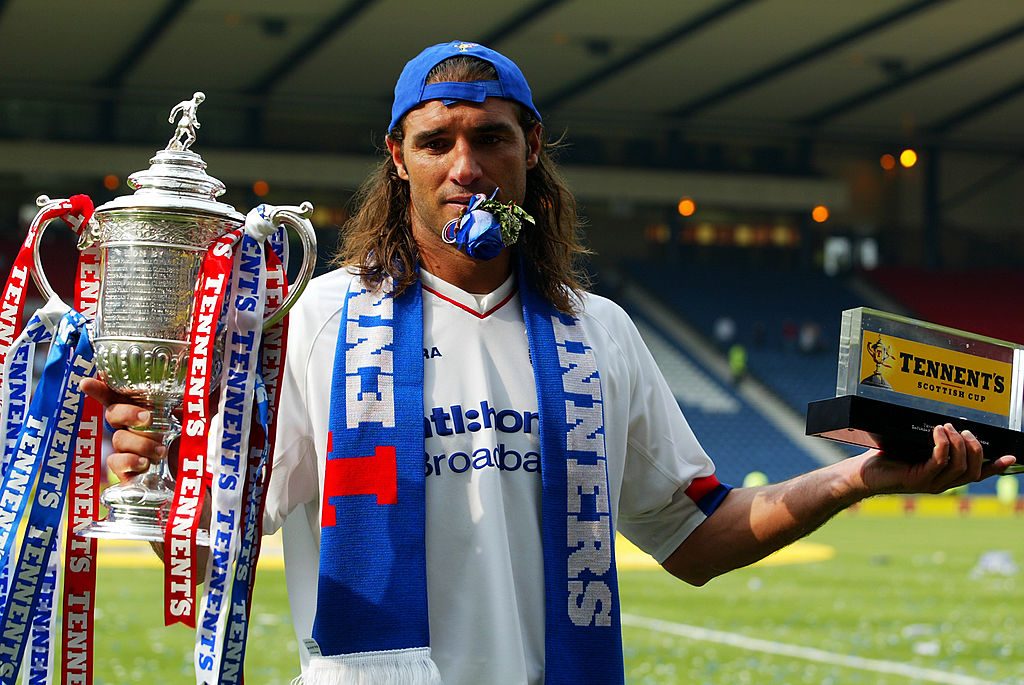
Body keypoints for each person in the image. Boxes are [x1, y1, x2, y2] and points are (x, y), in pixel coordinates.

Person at [82, 40, 1016, 685]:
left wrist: (861, 474)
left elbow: (696, 536)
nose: (466, 165)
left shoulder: (599, 331)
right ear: (397, 160)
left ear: (531, 148)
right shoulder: (319, 318)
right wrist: (150, 472)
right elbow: (220, 550)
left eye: (490, 136)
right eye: (436, 141)